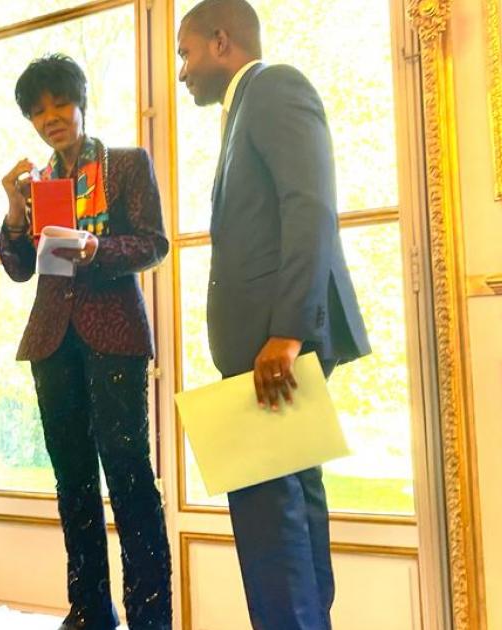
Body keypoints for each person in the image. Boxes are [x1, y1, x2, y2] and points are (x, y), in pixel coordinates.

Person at [176, 1, 371, 628]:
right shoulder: (243, 110)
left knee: (270, 516)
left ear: (221, 41)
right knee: (288, 509)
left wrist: (286, 332)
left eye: (185, 53)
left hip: (276, 344)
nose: (182, 72)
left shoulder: (274, 88)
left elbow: (310, 207)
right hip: (264, 344)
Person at [0, 54, 173, 630]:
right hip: (52, 340)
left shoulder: (126, 164)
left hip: (115, 332)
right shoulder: (40, 182)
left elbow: (153, 243)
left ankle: (150, 615)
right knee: (71, 478)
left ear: (81, 102)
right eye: (39, 110)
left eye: (59, 103)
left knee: (128, 471)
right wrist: (14, 209)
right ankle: (89, 610)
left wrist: (100, 251)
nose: (51, 117)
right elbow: (20, 268)